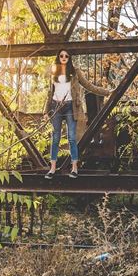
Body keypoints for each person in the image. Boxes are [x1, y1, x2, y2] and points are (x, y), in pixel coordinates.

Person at [43, 49, 110, 179]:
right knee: (55, 138)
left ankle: (74, 168)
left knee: (72, 138)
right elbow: (49, 94)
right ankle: (52, 169)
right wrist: (46, 111)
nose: (63, 57)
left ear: (69, 58)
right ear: (58, 57)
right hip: (55, 107)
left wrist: (106, 92)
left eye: (66, 56)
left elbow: (89, 86)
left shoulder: (75, 72)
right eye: (61, 55)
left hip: (70, 107)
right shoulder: (54, 72)